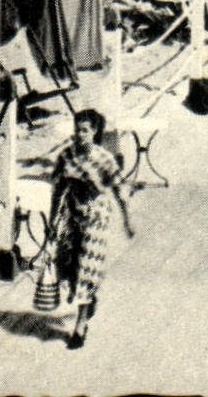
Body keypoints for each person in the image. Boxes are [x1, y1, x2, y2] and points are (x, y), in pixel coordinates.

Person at [49, 109, 134, 349]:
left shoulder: (104, 158)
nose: (79, 134)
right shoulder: (66, 156)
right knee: (69, 268)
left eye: (85, 129)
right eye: (77, 129)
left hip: (96, 218)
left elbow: (120, 189)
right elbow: (57, 190)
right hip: (72, 216)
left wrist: (128, 220)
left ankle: (80, 325)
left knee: (87, 269)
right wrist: (52, 221)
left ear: (94, 132)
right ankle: (89, 299)